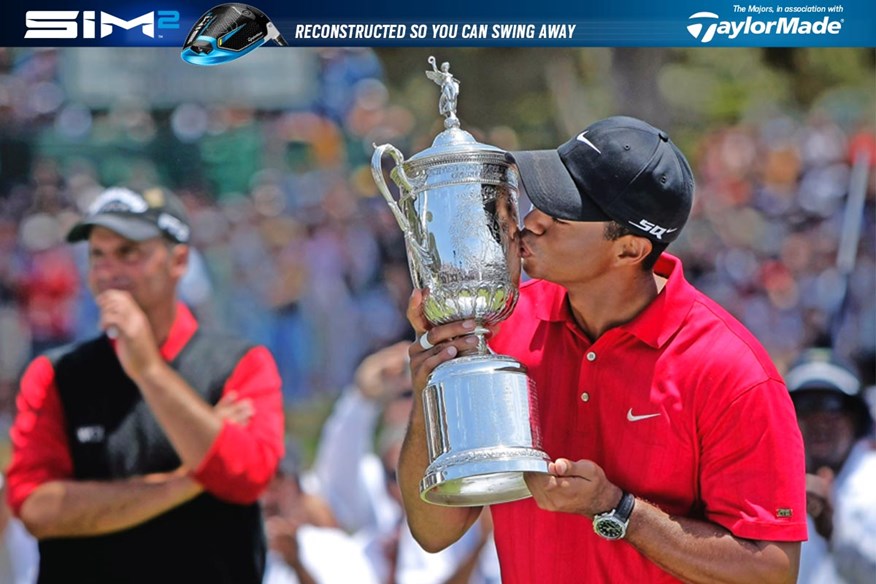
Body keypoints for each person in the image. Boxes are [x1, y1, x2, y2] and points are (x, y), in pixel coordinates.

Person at [398, 116, 808, 583]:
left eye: (561, 214)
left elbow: (772, 571)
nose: (531, 223)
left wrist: (617, 509)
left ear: (630, 250)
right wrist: (431, 392)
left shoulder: (732, 371)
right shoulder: (501, 325)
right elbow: (433, 530)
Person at [5, 186, 286, 583]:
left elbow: (247, 478)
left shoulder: (239, 362)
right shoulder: (54, 373)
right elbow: (36, 509)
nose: (107, 272)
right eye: (97, 255)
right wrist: (188, 480)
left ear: (179, 261)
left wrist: (149, 371)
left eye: (128, 253)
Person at [313, 341, 500, 583]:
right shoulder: (378, 503)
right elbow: (335, 480)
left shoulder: (471, 485)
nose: (404, 485)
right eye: (404, 394)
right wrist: (361, 398)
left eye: (421, 392)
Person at [786, 348, 876, 584]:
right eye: (805, 405)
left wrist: (834, 531)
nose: (819, 419)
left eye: (833, 404)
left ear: (856, 417)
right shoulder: (767, 486)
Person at [262, 442, 380, 584]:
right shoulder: (243, 550)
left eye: (275, 485)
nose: (265, 499)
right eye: (258, 486)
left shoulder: (335, 548)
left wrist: (296, 565)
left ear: (297, 487)